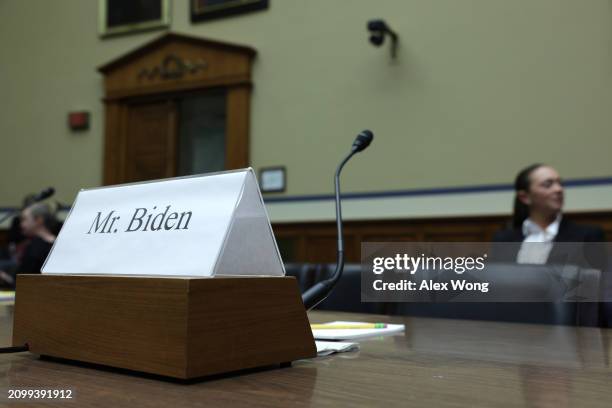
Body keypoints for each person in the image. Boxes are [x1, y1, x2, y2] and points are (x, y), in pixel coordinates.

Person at [493, 164, 606, 270]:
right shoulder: (504, 239)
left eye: (560, 183)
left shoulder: (587, 236)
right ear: (525, 197)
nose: (558, 189)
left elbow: (599, 283)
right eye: (548, 184)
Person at [0, 203, 58, 287]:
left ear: (39, 220)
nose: (21, 225)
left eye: (24, 219)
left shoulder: (35, 247)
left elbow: (22, 284)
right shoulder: (56, 243)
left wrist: (4, 278)